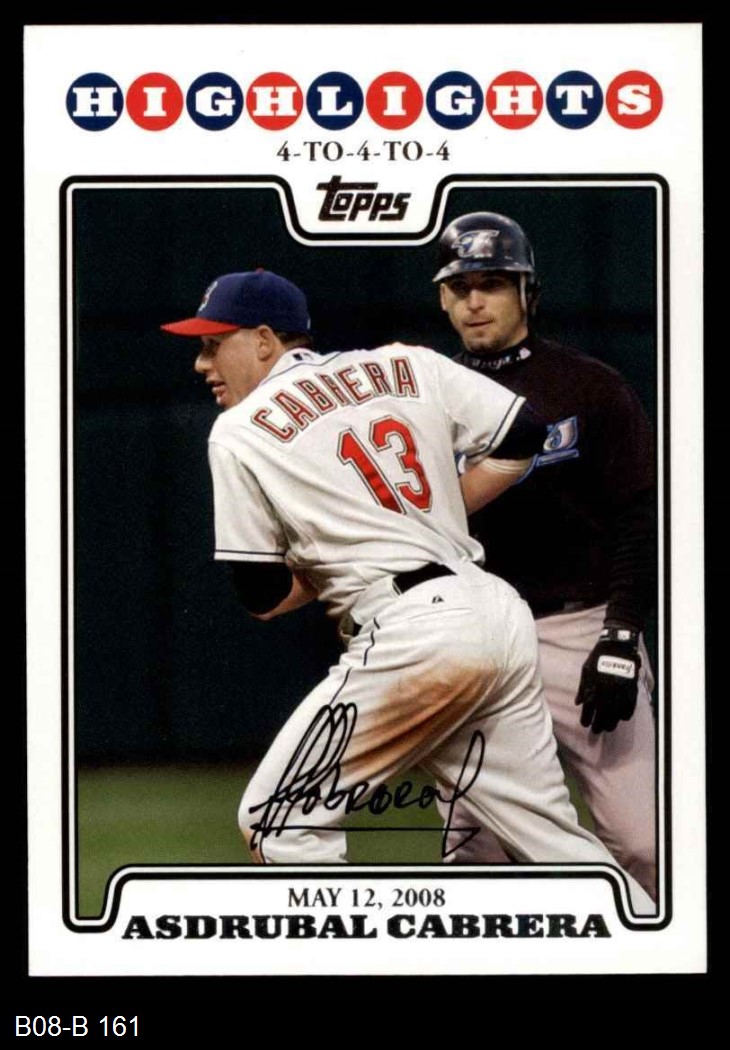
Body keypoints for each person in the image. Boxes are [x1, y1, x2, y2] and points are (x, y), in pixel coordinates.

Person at [161, 267, 655, 916]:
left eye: (211, 343)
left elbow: (259, 592)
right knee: (551, 842)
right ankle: (646, 939)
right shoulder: (405, 363)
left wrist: (333, 554)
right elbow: (525, 433)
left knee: (278, 820)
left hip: (417, 634)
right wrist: (436, 514)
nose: (201, 364)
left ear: (262, 340)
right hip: (495, 611)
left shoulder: (239, 428)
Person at [433, 212, 657, 901]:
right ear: (442, 298)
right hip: (476, 635)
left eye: (494, 284)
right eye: (461, 286)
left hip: (578, 627)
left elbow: (638, 517)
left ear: (528, 291)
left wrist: (620, 634)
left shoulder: (589, 386)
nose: (476, 301)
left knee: (644, 841)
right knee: (472, 854)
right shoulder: (425, 397)